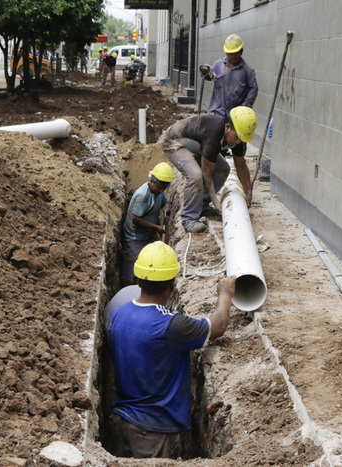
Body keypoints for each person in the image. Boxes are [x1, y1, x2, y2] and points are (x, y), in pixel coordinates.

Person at [106, 241, 237, 458]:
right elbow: (219, 325)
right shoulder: (171, 325)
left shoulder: (117, 314)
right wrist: (225, 294)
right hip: (154, 432)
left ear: (138, 280)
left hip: (121, 421)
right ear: (173, 285)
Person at [162, 106, 257, 233]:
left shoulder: (239, 138)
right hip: (175, 142)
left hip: (197, 144)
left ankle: (202, 205)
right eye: (237, 137)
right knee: (195, 176)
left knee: (223, 169)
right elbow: (207, 174)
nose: (238, 141)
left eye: (242, 138)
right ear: (227, 127)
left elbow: (240, 165)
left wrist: (248, 192)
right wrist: (216, 203)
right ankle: (189, 219)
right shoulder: (213, 135)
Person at [120, 162, 174, 286]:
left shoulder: (159, 191)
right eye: (159, 187)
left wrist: (166, 207)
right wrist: (156, 227)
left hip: (148, 237)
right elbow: (136, 219)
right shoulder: (142, 195)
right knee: (133, 273)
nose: (161, 190)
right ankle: (131, 291)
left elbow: (166, 202)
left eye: (163, 188)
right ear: (151, 181)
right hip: (134, 239)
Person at [199, 34, 258, 117]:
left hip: (236, 116)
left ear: (241, 52)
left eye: (236, 53)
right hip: (218, 113)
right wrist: (205, 72)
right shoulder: (218, 65)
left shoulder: (247, 71)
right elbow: (210, 77)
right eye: (230, 53)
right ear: (226, 52)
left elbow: (253, 89)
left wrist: (244, 107)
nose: (233, 56)